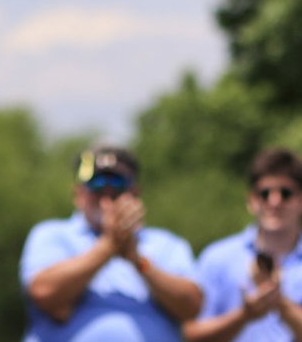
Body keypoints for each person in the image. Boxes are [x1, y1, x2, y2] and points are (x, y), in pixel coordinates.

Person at [20, 144, 202, 342]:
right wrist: (108, 247)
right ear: (78, 194)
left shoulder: (168, 243)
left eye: (117, 187)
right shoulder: (51, 234)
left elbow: (191, 307)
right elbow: (44, 293)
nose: (106, 197)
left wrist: (138, 261)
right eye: (96, 186)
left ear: (136, 192)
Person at [189, 148, 302, 342]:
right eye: (265, 193)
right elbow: (193, 334)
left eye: (285, 193)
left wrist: (279, 303)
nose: (274, 201)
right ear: (251, 200)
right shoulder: (216, 258)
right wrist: (244, 315)